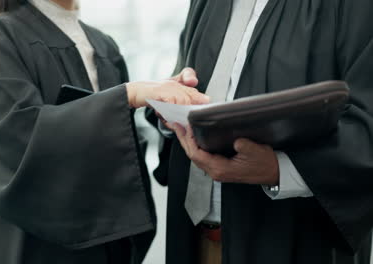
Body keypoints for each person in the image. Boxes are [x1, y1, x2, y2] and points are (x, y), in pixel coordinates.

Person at [0, 0, 209, 263]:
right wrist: (128, 95)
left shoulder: (104, 46)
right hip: (23, 247)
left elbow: (122, 150)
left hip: (97, 244)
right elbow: (19, 139)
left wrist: (162, 100)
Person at [148, 0, 373, 263]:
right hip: (194, 241)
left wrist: (279, 170)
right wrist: (170, 108)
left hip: (293, 241)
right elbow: (186, 75)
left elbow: (366, 121)